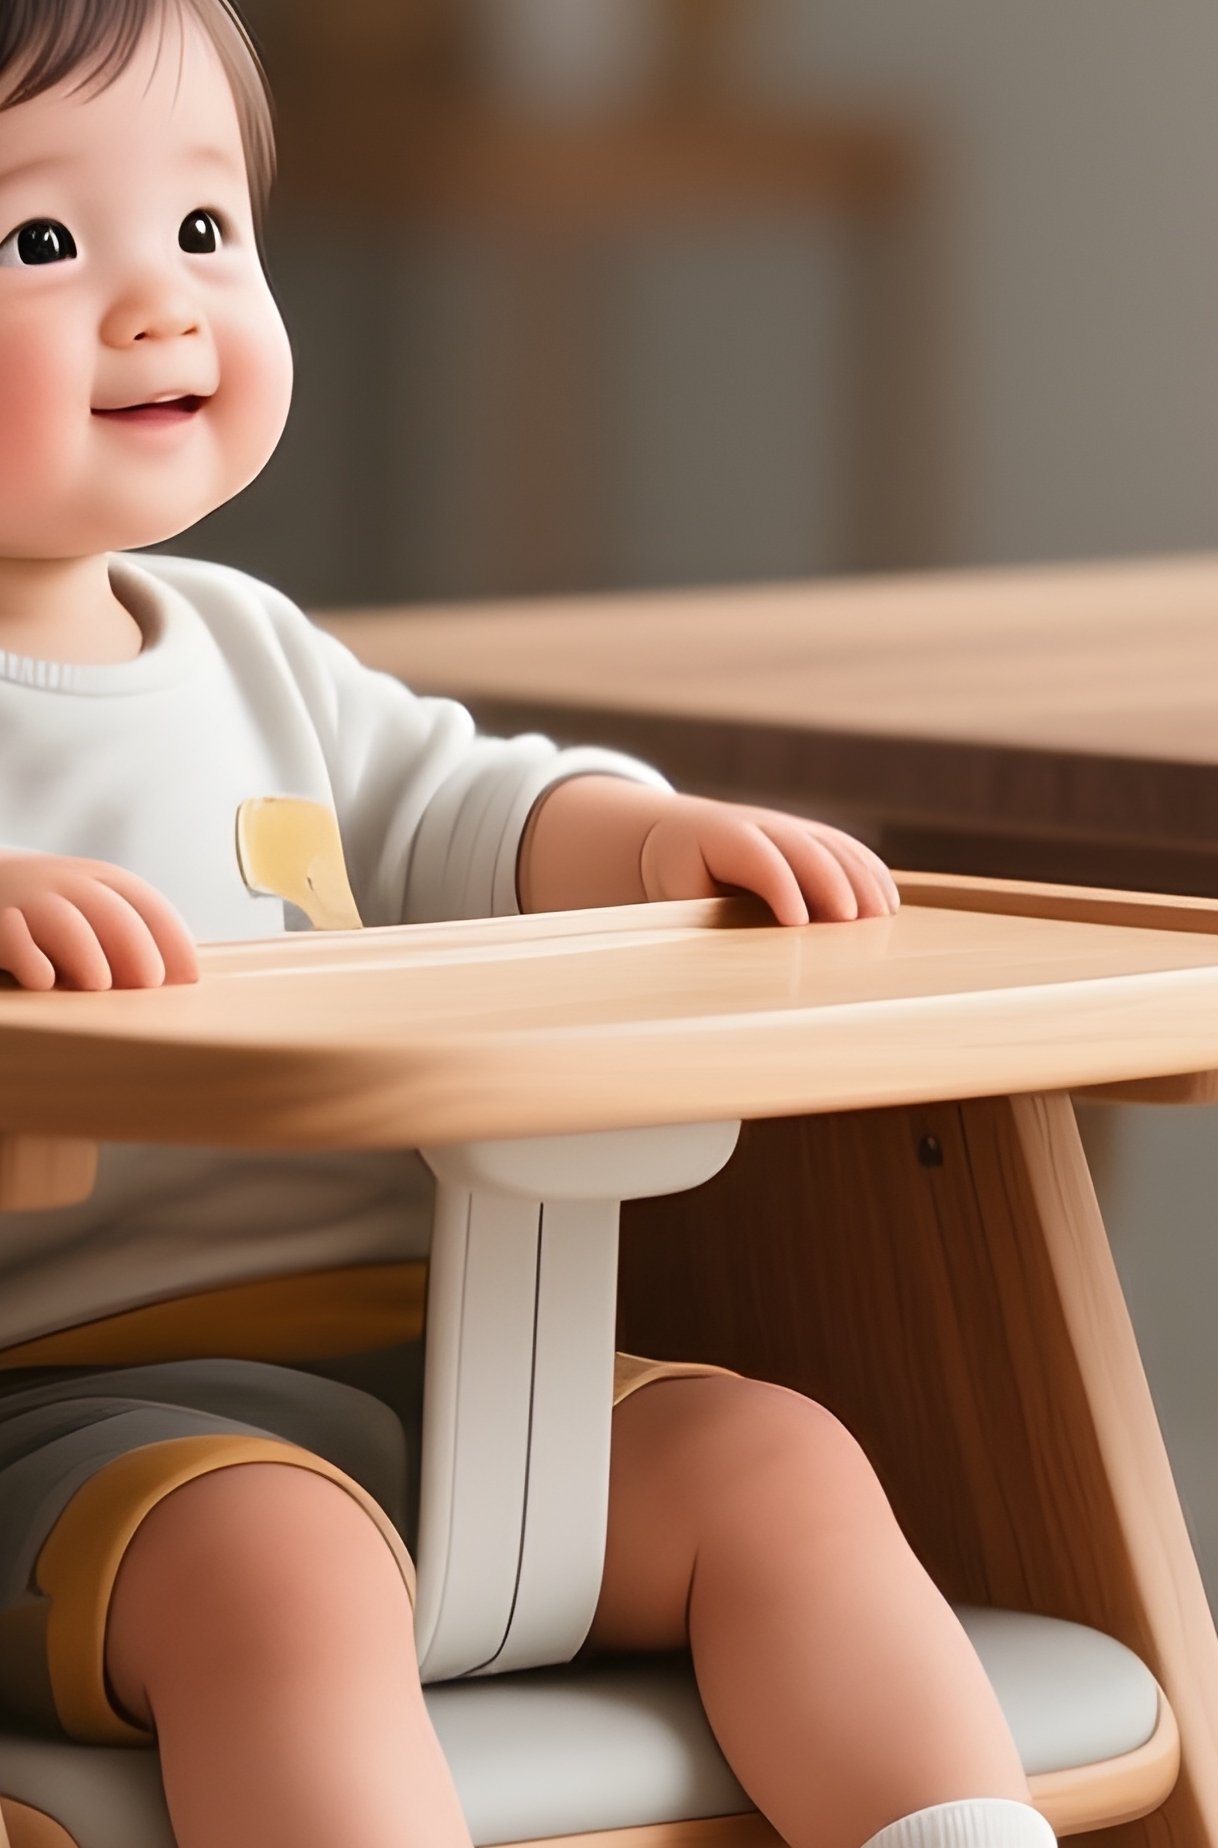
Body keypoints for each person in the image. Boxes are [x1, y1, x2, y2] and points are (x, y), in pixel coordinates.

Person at [0, 6, 1052, 1847]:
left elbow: (462, 807)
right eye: (37, 243)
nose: (160, 308)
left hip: (448, 1364)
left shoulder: (252, 649)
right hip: (74, 1422)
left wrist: (652, 841)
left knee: (775, 1465)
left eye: (203, 230)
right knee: (285, 1573)